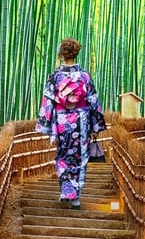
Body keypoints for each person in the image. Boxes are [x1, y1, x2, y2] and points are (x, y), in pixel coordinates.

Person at [36, 38, 106, 207]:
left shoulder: (54, 76)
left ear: (61, 54)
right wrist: (96, 124)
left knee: (63, 154)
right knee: (80, 156)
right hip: (81, 122)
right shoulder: (84, 76)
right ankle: (75, 196)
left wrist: (46, 125)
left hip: (61, 121)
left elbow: (48, 102)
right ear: (76, 53)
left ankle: (65, 190)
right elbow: (93, 101)